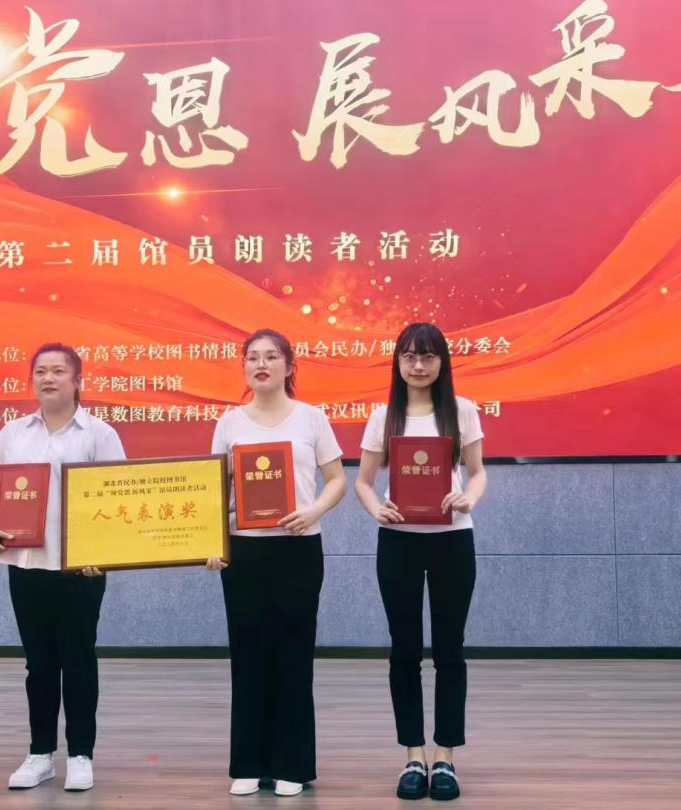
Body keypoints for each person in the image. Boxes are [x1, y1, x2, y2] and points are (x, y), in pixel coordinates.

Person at [0, 343, 124, 792]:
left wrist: (104, 553)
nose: (48, 378)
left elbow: (118, 497)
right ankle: (40, 754)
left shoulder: (99, 434)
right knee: (38, 664)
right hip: (26, 563)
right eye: (40, 371)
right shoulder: (13, 432)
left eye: (58, 371)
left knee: (78, 660)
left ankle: (80, 754)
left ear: (78, 381)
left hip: (80, 568)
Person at [206, 328, 347, 797]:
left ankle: (292, 764)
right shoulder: (229, 423)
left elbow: (336, 480)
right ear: (244, 367)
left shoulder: (312, 418)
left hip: (298, 548)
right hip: (243, 550)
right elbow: (213, 489)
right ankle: (248, 763)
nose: (260, 364)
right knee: (247, 654)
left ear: (289, 366)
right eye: (252, 357)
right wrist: (212, 541)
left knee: (294, 654)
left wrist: (313, 511)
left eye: (271, 356)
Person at [354, 322, 486, 801]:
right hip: (399, 543)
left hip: (452, 540)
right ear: (397, 362)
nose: (418, 365)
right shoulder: (383, 416)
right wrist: (377, 509)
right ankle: (413, 755)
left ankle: (445, 757)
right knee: (404, 651)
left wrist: (468, 498)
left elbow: (477, 473)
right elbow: (364, 482)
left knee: (450, 651)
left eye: (428, 356)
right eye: (409, 356)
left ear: (442, 361)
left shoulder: (462, 410)